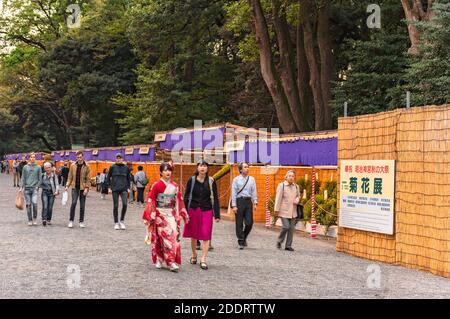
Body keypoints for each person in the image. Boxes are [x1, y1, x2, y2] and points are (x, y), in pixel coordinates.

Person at [142, 162, 189, 272]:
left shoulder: (175, 186)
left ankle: (171, 261)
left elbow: (179, 200)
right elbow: (151, 200)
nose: (168, 172)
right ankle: (159, 259)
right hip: (159, 214)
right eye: (165, 170)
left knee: (173, 237)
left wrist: (181, 213)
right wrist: (150, 215)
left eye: (169, 170)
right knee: (160, 238)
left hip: (170, 214)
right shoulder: (156, 185)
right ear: (161, 172)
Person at [183, 160, 220, 270]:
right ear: (197, 168)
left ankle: (203, 259)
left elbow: (215, 198)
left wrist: (217, 214)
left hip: (207, 210)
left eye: (205, 165)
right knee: (194, 235)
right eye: (200, 166)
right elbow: (186, 196)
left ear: (207, 168)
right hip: (193, 210)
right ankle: (194, 254)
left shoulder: (211, 181)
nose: (202, 168)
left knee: (206, 234)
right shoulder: (192, 180)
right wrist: (184, 211)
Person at [231, 162, 258, 250]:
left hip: (248, 201)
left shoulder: (252, 179)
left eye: (248, 167)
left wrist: (255, 202)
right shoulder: (236, 180)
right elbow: (233, 193)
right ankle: (241, 241)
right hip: (239, 201)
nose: (247, 168)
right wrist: (234, 205)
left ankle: (244, 236)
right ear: (241, 169)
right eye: (245, 167)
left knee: (249, 222)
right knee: (239, 223)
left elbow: (254, 191)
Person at [274, 170, 300, 251]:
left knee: (291, 229)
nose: (291, 177)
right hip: (284, 210)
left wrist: (297, 199)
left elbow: (299, 195)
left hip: (293, 211)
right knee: (286, 227)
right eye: (289, 176)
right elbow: (278, 198)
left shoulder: (296, 186)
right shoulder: (282, 185)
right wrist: (276, 209)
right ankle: (279, 241)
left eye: (292, 176)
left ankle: (288, 245)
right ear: (286, 177)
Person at [65, 151, 91, 228]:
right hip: (74, 188)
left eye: (80, 157)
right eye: (78, 157)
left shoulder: (87, 166)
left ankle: (81, 221)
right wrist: (67, 185)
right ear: (76, 157)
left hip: (83, 188)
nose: (79, 158)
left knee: (82, 205)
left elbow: (88, 179)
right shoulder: (73, 165)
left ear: (83, 157)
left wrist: (87, 188)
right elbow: (70, 177)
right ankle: (71, 220)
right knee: (73, 203)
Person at [107, 153, 131, 230]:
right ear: (115, 159)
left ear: (122, 159)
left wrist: (128, 187)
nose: (118, 159)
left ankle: (122, 221)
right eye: (117, 158)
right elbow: (108, 177)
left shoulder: (126, 168)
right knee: (116, 206)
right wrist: (109, 187)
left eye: (120, 158)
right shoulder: (112, 167)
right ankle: (116, 222)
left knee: (125, 204)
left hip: (124, 189)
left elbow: (129, 178)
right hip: (115, 189)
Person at [19, 153, 42, 226]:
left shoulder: (38, 167)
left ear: (35, 158)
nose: (32, 158)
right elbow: (23, 178)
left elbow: (40, 179)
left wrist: (37, 186)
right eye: (31, 157)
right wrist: (21, 187)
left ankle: (35, 218)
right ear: (29, 158)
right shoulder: (25, 167)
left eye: (34, 157)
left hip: (34, 189)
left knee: (34, 204)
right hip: (27, 189)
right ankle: (29, 219)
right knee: (28, 205)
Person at [40, 162, 59, 226]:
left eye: (49, 167)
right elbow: (38, 182)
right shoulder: (42, 175)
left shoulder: (54, 176)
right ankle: (44, 219)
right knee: (45, 206)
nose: (48, 169)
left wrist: (56, 191)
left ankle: (49, 219)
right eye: (46, 168)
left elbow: (57, 184)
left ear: (51, 168)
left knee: (50, 207)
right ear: (44, 169)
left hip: (52, 193)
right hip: (44, 192)